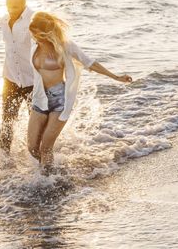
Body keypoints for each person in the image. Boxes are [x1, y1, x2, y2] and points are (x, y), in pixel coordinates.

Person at [27, 11, 132, 174]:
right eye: (32, 34)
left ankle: (47, 182)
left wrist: (116, 77)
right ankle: (48, 172)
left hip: (60, 100)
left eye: (36, 35)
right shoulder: (34, 47)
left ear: (45, 33)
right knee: (33, 148)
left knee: (46, 147)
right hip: (40, 99)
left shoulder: (65, 46)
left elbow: (90, 62)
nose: (34, 38)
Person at [0, 0, 34, 154]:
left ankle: (39, 163)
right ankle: (4, 161)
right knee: (7, 121)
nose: (12, 10)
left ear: (23, 3)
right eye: (9, 6)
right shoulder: (4, 20)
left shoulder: (33, 20)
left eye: (16, 6)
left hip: (33, 82)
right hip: (11, 79)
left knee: (36, 125)